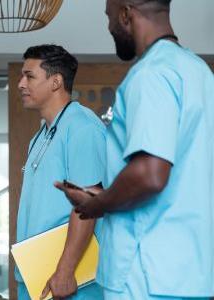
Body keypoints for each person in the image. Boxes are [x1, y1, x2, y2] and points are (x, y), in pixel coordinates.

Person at [56, 0, 214, 299]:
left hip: (145, 273)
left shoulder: (150, 75)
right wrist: (103, 193)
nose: (109, 27)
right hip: (191, 274)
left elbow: (150, 174)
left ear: (126, 13)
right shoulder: (198, 71)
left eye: (110, 17)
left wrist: (96, 205)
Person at [15, 44, 105, 300]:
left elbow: (89, 205)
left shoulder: (83, 128)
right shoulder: (39, 137)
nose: (21, 83)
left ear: (56, 82)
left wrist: (65, 271)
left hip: (70, 278)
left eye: (29, 76)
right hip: (36, 273)